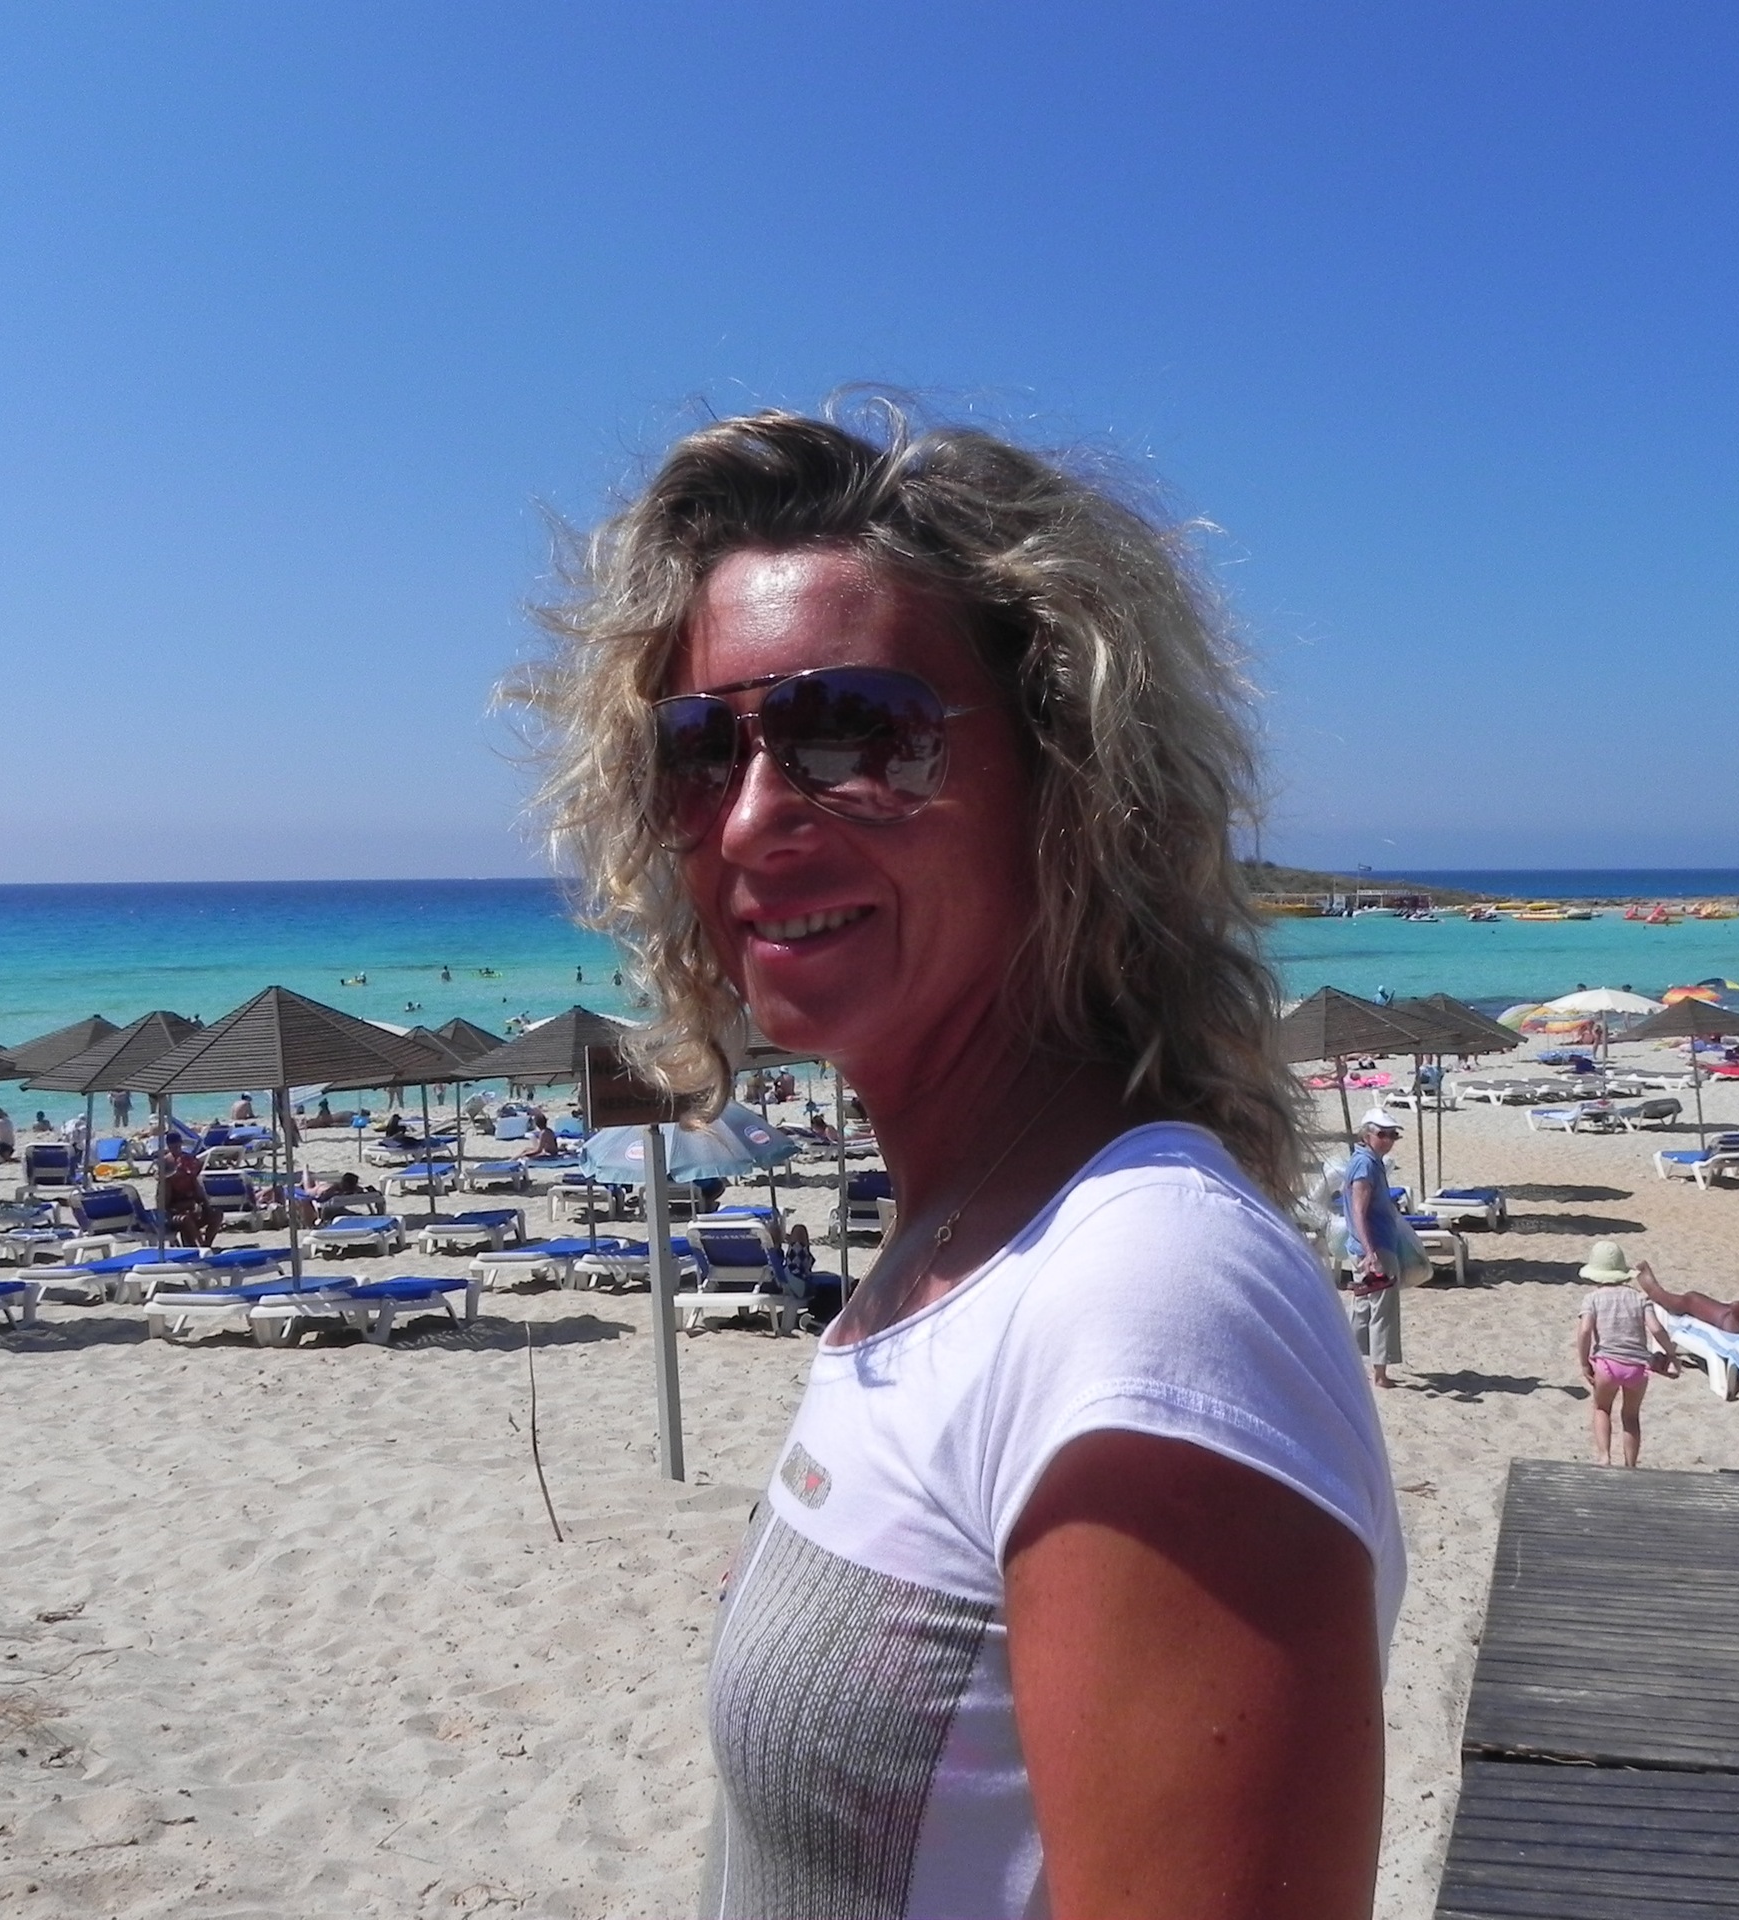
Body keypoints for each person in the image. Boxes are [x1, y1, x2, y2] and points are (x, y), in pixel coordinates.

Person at [520, 404, 1400, 1917]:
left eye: (855, 733)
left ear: (1075, 784)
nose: (752, 818)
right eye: (697, 750)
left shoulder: (1147, 1303)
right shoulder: (960, 1249)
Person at [1572, 1243, 1680, 1468]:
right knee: (1631, 1417)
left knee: (1602, 1408)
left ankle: (1604, 1457)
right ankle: (1630, 1465)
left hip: (1607, 1365)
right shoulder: (1639, 1298)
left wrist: (1584, 1363)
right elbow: (1656, 1329)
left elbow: (1584, 1331)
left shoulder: (1592, 1299)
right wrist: (1671, 1354)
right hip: (1637, 1368)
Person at [1339, 1109, 1406, 1391]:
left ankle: (1349, 1366)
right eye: (1382, 1134)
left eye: (1393, 1135)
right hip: (1375, 1247)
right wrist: (1371, 1252)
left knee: (1364, 1306)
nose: (1388, 1140)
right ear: (1367, 1135)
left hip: (1366, 1245)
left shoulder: (1367, 1161)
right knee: (1381, 1308)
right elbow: (1359, 1210)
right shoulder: (1365, 1165)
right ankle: (1380, 1373)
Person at [162, 1133, 217, 1248]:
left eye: (178, 1147)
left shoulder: (188, 1164)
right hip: (174, 1213)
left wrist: (203, 1205)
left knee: (216, 1215)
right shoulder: (166, 1165)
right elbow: (165, 1204)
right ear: (168, 1147)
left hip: (191, 1208)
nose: (176, 1150)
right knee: (186, 1218)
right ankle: (200, 1245)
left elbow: (198, 1189)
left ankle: (207, 1245)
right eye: (173, 1147)